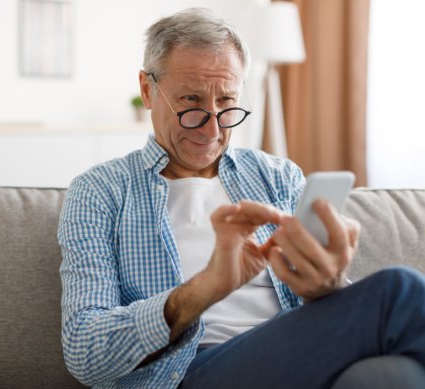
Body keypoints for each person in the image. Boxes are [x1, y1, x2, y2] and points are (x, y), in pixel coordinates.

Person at [58, 8, 425, 389]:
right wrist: (207, 287)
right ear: (148, 90)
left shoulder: (278, 176)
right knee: (398, 290)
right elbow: (86, 353)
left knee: (391, 376)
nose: (213, 127)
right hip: (186, 374)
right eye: (191, 100)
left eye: (227, 102)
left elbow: (330, 318)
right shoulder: (101, 191)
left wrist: (329, 288)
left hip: (301, 362)